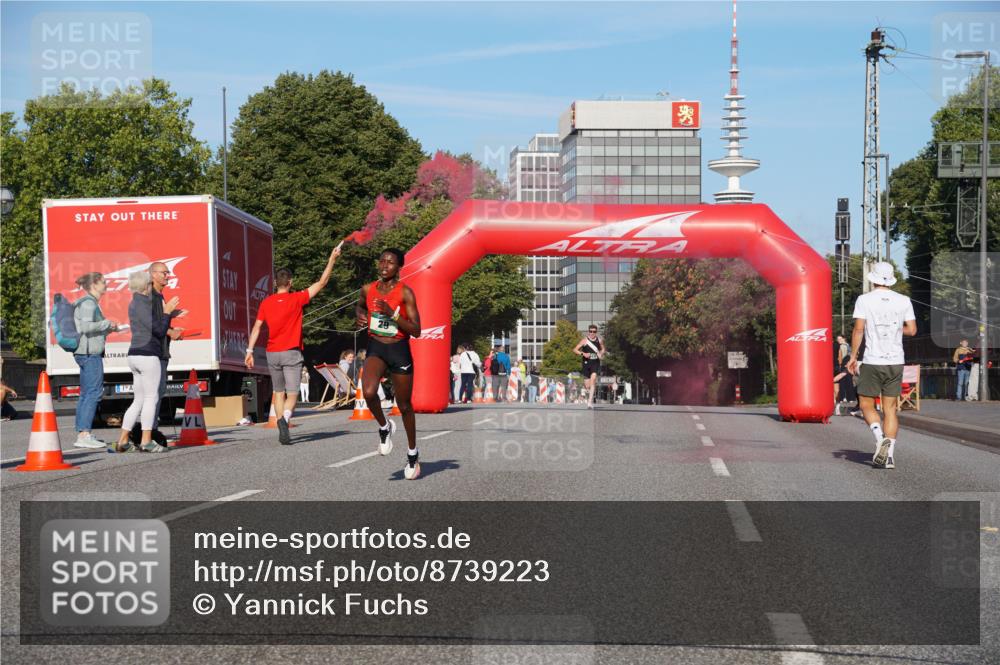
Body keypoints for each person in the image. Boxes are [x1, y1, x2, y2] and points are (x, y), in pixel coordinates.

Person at [246, 241, 341, 445]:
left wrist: (250, 351)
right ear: (290, 282)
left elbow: (256, 327)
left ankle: (281, 422)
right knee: (293, 394)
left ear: (275, 283)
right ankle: (285, 419)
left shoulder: (266, 303)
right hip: (291, 353)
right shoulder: (297, 299)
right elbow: (322, 282)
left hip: (272, 353)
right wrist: (332, 259)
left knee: (278, 392)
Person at [356, 248, 422, 479]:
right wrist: (359, 315)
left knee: (404, 406)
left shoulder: (405, 293)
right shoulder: (367, 289)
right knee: (368, 392)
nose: (384, 265)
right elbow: (360, 305)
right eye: (382, 261)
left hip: (398, 349)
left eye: (390, 262)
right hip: (376, 346)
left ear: (399, 267)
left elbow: (417, 330)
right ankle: (385, 427)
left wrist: (393, 315)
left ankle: (413, 453)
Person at [846, 262, 917, 470]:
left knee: (866, 404)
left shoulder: (864, 300)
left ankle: (879, 439)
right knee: (890, 409)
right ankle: (890, 456)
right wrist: (894, 329)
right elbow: (912, 330)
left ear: (873, 278)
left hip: (872, 360)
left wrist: (853, 356)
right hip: (896, 361)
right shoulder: (904, 300)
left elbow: (859, 330)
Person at [114, 271, 173, 453]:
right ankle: (146, 441)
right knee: (150, 398)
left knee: (138, 399)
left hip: (134, 353)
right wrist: (167, 313)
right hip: (148, 354)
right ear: (147, 285)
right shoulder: (144, 303)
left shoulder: (134, 302)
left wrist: (167, 314)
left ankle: (123, 440)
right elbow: (159, 330)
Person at [71, 272, 119, 448]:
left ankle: (83, 433)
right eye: (103, 282)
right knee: (93, 393)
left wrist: (109, 328)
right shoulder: (88, 303)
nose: (106, 285)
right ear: (94, 285)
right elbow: (84, 327)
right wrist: (106, 323)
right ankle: (84, 435)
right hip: (89, 354)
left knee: (86, 393)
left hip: (86, 352)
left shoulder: (89, 302)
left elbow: (90, 328)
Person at [147, 262, 186, 443]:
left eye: (167, 272)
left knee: (156, 392)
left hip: (160, 351)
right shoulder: (152, 296)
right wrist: (172, 332)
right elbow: (153, 324)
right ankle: (150, 432)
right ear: (153, 274)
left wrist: (172, 315)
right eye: (164, 273)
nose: (167, 275)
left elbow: (160, 319)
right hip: (155, 352)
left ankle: (149, 431)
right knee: (154, 393)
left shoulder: (159, 295)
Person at [573, 325, 605, 408]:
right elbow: (575, 349)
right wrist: (583, 353)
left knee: (593, 379)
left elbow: (603, 349)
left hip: (595, 363)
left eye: (594, 331)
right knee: (587, 385)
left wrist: (600, 353)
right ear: (588, 331)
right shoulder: (584, 340)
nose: (592, 333)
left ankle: (590, 402)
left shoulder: (599, 340)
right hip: (586, 363)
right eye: (591, 331)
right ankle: (589, 392)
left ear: (596, 332)